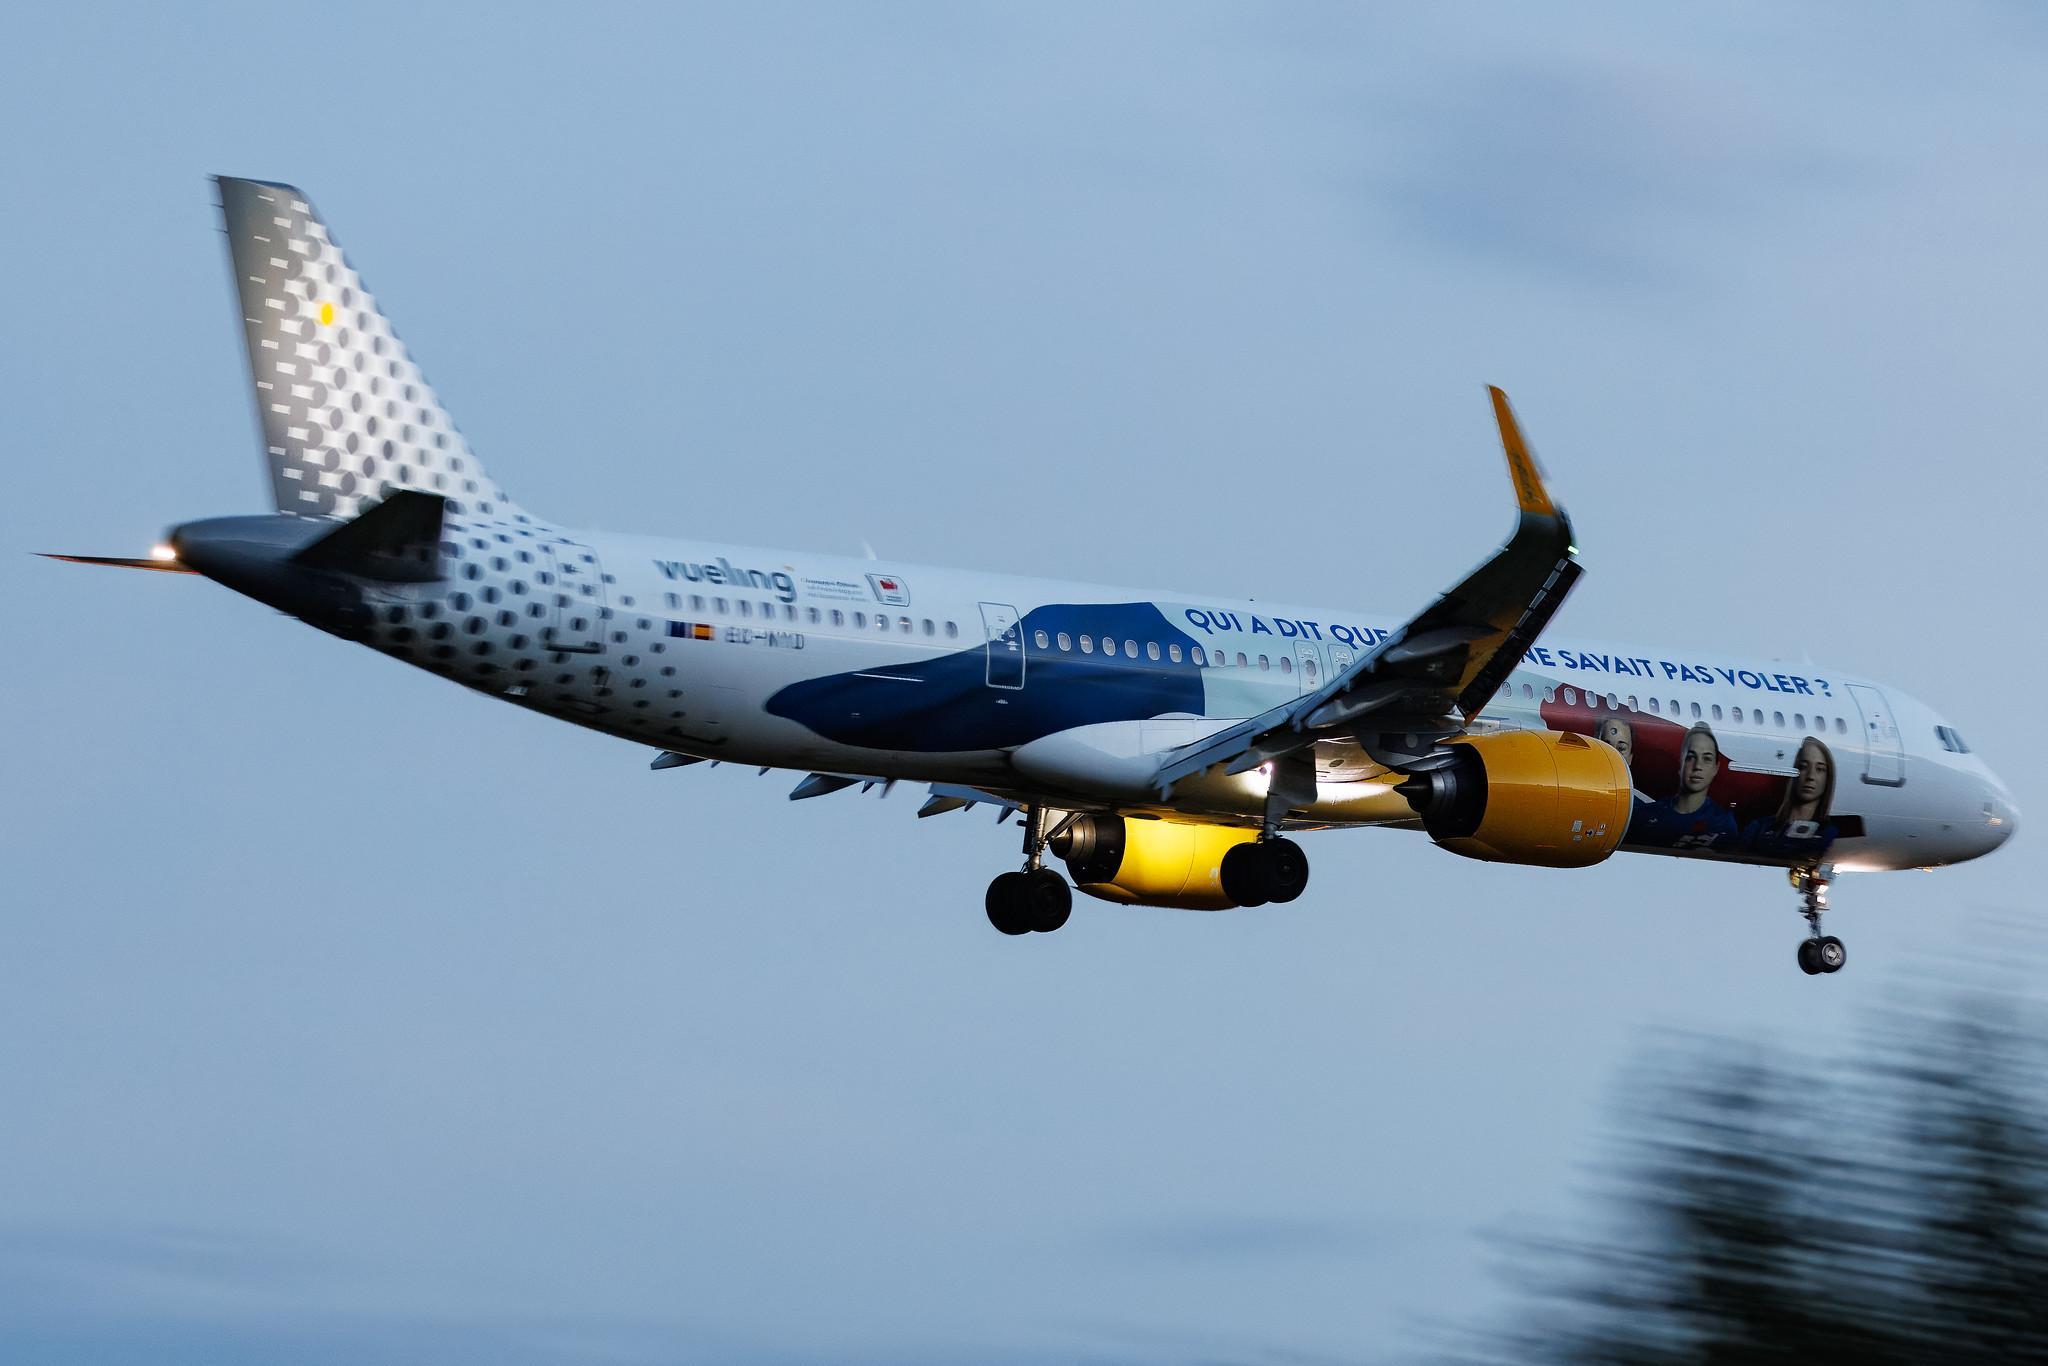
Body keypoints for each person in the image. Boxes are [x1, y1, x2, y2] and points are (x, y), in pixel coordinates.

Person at [1625, 722, 1740, 850]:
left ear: (1715, 768)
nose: (1697, 767)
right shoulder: (1646, 815)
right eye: (1691, 757)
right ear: (1681, 763)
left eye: (1706, 759)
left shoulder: (1723, 822)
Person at [1741, 735, 1839, 858]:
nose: (1810, 776)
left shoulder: (1830, 833)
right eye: (1803, 767)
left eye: (1819, 769)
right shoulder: (1759, 827)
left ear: (1828, 778)